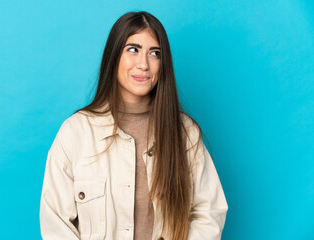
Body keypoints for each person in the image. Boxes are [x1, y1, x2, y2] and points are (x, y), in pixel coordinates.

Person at [39, 11, 228, 240]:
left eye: (155, 53)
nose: (144, 64)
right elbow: (55, 224)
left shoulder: (184, 132)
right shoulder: (76, 132)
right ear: (114, 56)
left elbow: (208, 213)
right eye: (133, 49)